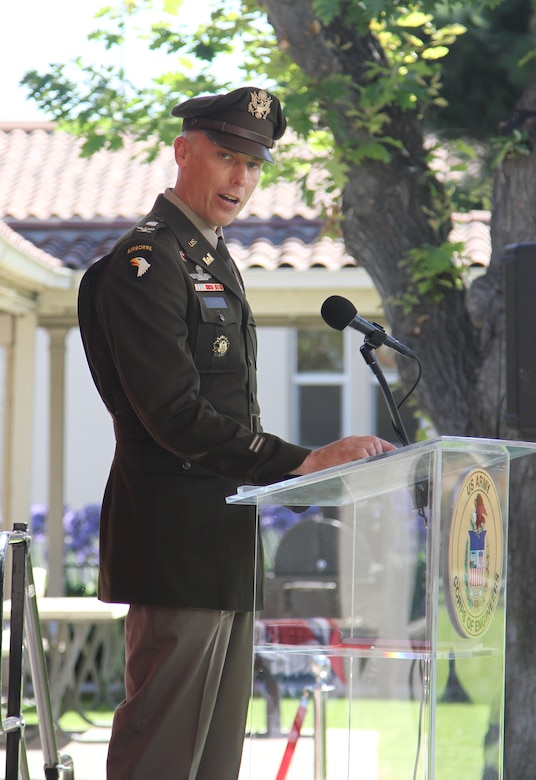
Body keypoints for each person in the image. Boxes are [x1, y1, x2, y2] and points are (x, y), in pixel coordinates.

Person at [77, 86, 395, 780]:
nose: (241, 179)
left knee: (214, 762)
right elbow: (175, 414)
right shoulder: (147, 264)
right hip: (174, 546)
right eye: (226, 157)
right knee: (162, 757)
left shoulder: (211, 260)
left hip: (223, 545)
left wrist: (297, 470)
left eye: (253, 165)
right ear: (183, 151)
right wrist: (304, 460)